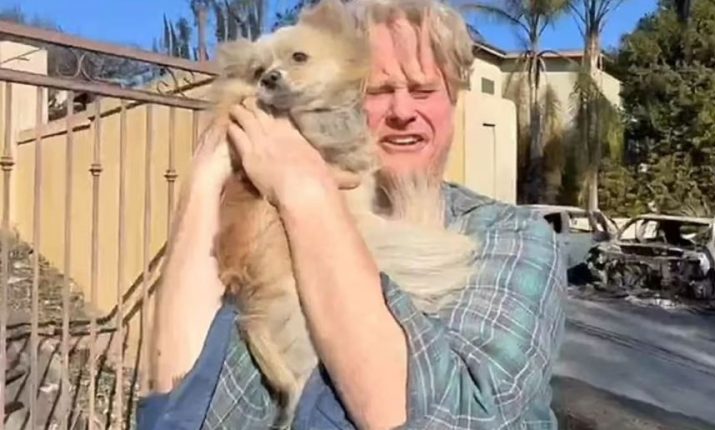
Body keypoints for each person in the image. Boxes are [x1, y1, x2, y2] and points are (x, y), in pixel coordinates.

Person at [136, 0, 566, 428]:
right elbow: (175, 408)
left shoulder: (513, 237)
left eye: (422, 91)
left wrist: (303, 191)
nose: (401, 112)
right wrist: (207, 175)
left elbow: (460, 419)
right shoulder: (267, 219)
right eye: (378, 92)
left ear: (454, 101)